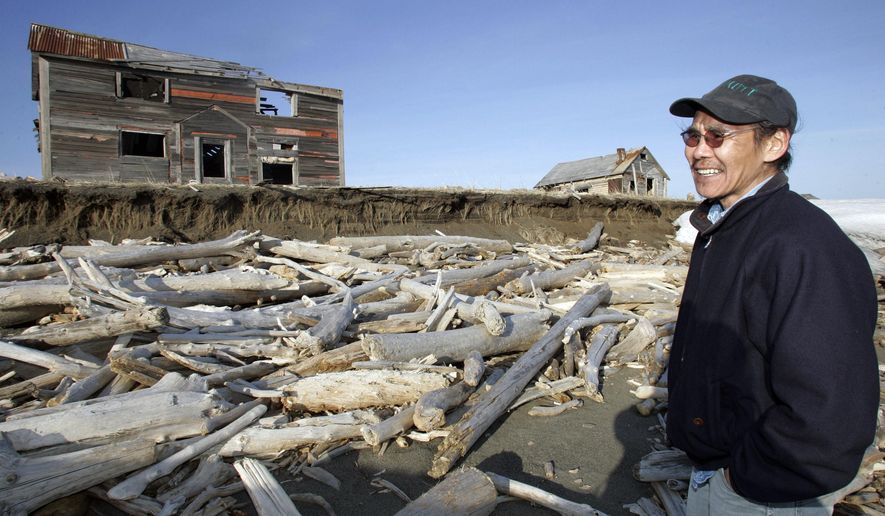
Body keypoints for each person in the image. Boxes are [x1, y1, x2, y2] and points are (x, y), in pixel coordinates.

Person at [665, 74, 879, 514]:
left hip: (762, 493)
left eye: (718, 135)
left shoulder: (802, 246)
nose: (699, 150)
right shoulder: (723, 227)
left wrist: (745, 476)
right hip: (717, 470)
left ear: (774, 145)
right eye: (693, 134)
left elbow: (830, 411)